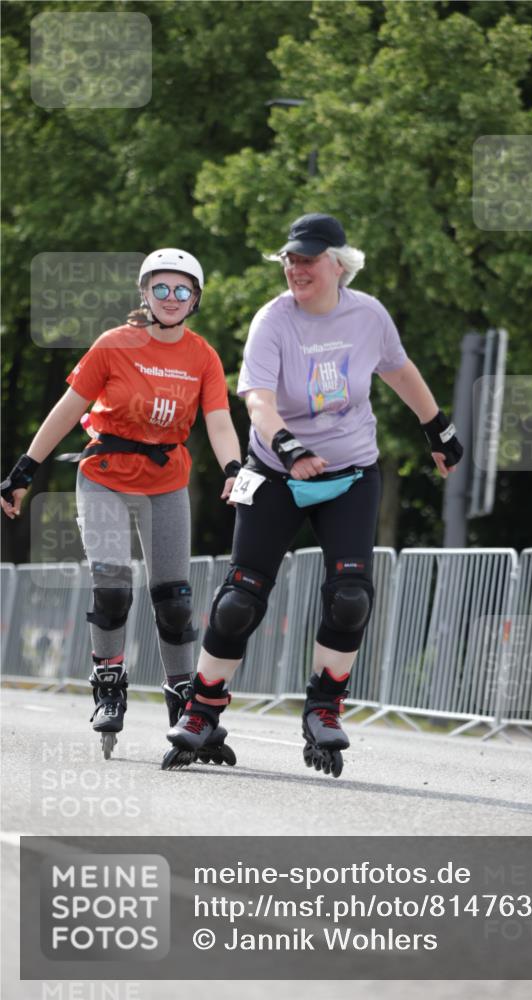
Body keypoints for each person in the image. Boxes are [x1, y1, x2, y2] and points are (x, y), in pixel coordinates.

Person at [162, 214, 463, 777]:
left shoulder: (368, 314)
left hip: (349, 473)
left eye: (307, 259)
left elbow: (399, 371)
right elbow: (256, 399)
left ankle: (324, 707)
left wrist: (438, 429)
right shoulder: (273, 320)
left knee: (351, 596)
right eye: (290, 260)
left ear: (337, 263)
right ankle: (203, 709)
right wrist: (289, 446)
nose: (295, 269)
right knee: (240, 600)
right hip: (276, 471)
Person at [1, 248, 242, 763]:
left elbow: (219, 421)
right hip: (106, 476)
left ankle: (186, 706)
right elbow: (69, 409)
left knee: (174, 600)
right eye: (162, 288)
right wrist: (25, 469)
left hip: (166, 481)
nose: (172, 299)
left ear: (195, 299)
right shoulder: (113, 345)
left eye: (183, 290)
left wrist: (233, 470)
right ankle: (110, 683)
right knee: (112, 586)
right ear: (144, 293)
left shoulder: (202, 356)